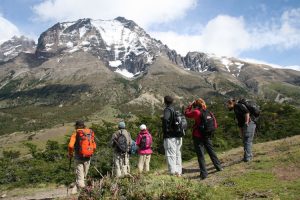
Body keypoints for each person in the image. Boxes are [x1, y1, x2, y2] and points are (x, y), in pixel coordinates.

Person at [184, 98, 222, 180]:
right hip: (207, 135)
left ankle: (204, 173)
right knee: (211, 151)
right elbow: (215, 125)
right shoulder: (209, 112)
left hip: (198, 136)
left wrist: (190, 106)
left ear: (196, 105)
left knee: (200, 155)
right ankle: (219, 167)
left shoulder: (196, 112)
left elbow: (186, 114)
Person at [68, 120, 96, 194]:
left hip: (78, 157)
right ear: (83, 125)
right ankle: (75, 191)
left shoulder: (76, 133)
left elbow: (70, 145)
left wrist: (70, 154)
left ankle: (84, 192)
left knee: (80, 177)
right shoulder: (89, 133)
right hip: (88, 157)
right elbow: (94, 146)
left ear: (76, 126)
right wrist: (90, 152)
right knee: (83, 176)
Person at [162, 95, 183, 176]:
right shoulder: (174, 109)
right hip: (178, 135)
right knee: (178, 154)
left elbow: (166, 119)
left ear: (165, 101)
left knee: (170, 154)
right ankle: (178, 172)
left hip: (170, 136)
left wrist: (166, 130)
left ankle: (172, 173)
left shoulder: (167, 110)